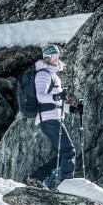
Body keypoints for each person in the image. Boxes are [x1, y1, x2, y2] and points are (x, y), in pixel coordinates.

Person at [27, 43, 82, 189]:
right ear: (48, 57)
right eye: (54, 55)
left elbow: (57, 102)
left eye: (58, 55)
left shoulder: (53, 75)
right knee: (69, 151)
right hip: (47, 118)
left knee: (63, 153)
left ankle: (36, 178)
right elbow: (41, 96)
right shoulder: (43, 74)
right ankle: (67, 184)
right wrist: (57, 96)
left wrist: (73, 110)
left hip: (52, 116)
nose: (58, 58)